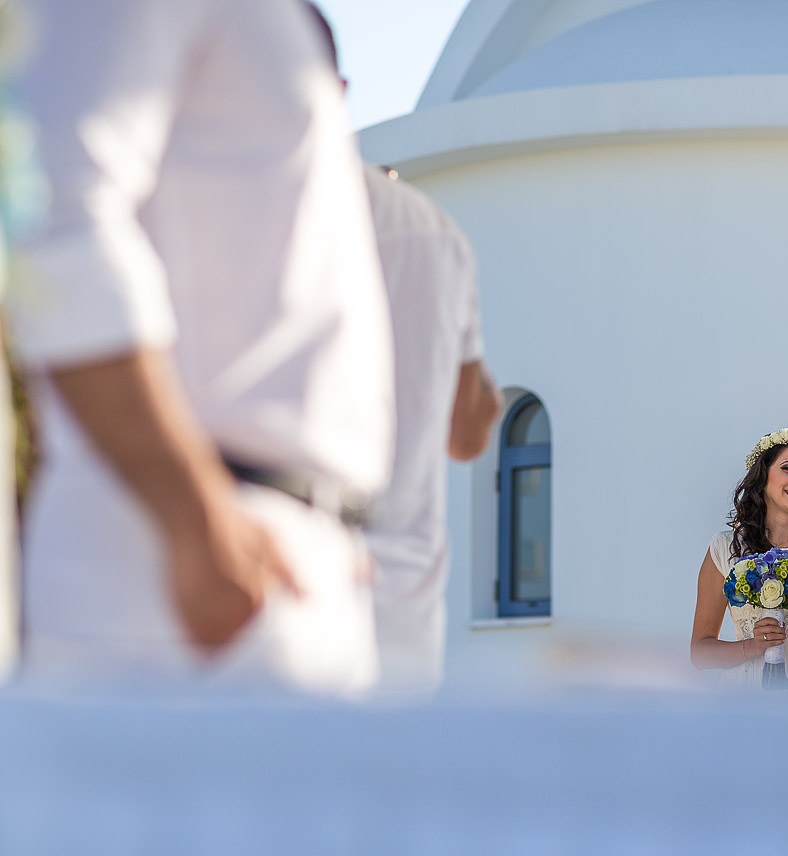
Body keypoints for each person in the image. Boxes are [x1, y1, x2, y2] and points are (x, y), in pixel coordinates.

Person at [8, 0, 393, 695]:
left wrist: (331, 523)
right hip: (183, 567)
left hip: (270, 562)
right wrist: (193, 513)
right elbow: (53, 215)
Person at [303, 4, 502, 694]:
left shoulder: (231, 210)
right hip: (402, 598)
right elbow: (470, 431)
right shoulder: (433, 233)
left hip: (276, 581)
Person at [691, 428, 788, 697]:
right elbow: (700, 653)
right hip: (747, 692)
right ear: (763, 476)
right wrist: (753, 646)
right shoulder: (724, 548)